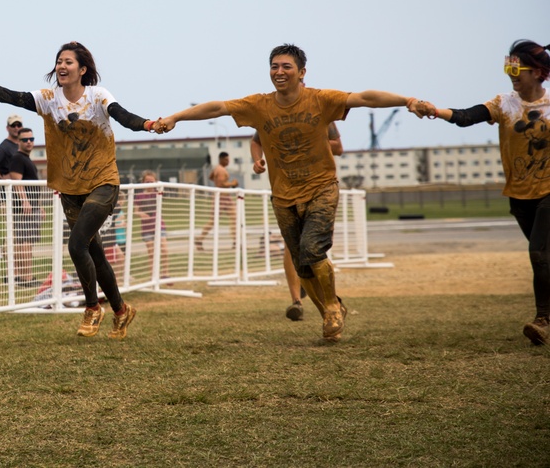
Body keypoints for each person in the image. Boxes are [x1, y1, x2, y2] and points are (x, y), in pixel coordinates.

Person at [155, 43, 433, 342]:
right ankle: (332, 310)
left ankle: (331, 310)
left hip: (321, 188)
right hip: (284, 196)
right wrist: (176, 117)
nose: (279, 71)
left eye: (286, 66)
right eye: (274, 66)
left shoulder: (321, 99)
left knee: (313, 249)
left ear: (302, 72)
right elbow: (217, 107)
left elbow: (365, 98)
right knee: (302, 265)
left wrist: (408, 100)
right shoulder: (259, 105)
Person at [0, 41, 158, 339]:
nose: (61, 66)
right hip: (69, 186)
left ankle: (93, 308)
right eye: (58, 61)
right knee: (94, 252)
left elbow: (122, 115)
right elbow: (10, 97)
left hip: (102, 181)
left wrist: (147, 124)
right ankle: (121, 310)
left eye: (68, 62)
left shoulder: (98, 96)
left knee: (76, 245)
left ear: (82, 69)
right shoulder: (48, 98)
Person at [427, 40, 550, 346]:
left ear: (537, 72)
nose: (510, 74)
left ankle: (542, 320)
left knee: (539, 253)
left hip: (549, 191)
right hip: (520, 195)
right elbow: (467, 117)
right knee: (545, 258)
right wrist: (435, 110)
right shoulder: (504, 103)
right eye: (507, 68)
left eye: (515, 68)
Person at [252, 123, 343, 322]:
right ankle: (297, 301)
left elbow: (338, 147)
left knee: (313, 247)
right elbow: (256, 140)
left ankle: (331, 302)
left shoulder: (317, 112)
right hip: (287, 193)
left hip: (318, 191)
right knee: (293, 249)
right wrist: (257, 160)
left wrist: (312, 144)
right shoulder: (273, 114)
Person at [7, 127, 40, 286]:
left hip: (31, 207)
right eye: (25, 140)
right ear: (18, 142)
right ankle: (26, 278)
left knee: (25, 241)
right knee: (24, 241)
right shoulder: (18, 158)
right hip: (24, 209)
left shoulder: (26, 159)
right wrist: (25, 201)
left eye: (31, 139)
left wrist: (38, 206)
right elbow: (16, 182)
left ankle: (21, 276)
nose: (29, 142)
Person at [195, 152, 239, 252]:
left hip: (224, 197)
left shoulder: (216, 169)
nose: (228, 162)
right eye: (226, 160)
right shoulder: (221, 170)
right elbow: (221, 184)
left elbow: (211, 177)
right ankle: (199, 239)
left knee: (234, 218)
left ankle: (236, 241)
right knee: (213, 221)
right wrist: (233, 183)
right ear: (221, 159)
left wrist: (219, 181)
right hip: (222, 197)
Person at [134, 170, 170, 281]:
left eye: (152, 181)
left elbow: (163, 192)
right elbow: (136, 211)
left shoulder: (158, 193)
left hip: (159, 225)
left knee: (164, 249)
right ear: (143, 182)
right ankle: (153, 276)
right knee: (151, 252)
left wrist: (158, 187)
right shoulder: (139, 196)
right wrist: (141, 214)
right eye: (147, 181)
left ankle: (165, 273)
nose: (149, 183)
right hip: (146, 228)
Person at [0, 114, 24, 179]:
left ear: (22, 127)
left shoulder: (20, 145)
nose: (16, 128)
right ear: (7, 128)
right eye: (13, 125)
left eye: (19, 125)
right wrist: (2, 181)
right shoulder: (5, 146)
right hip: (11, 187)